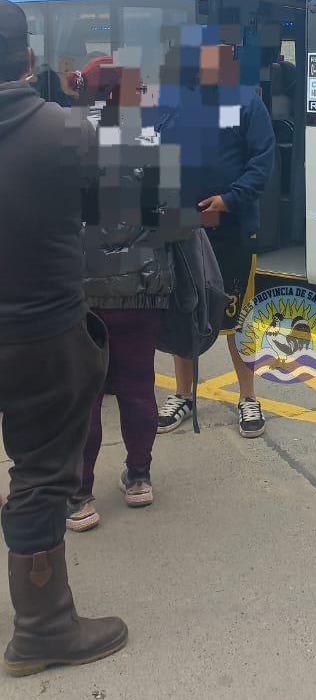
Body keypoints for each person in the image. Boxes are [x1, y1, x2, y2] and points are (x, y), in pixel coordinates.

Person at [0, 1, 127, 675]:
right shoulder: (66, 133)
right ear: (27, 59)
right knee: (41, 478)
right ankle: (43, 627)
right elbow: (108, 212)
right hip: (41, 336)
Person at [66, 60, 193, 532]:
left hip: (83, 295)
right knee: (139, 386)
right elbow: (177, 225)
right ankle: (138, 478)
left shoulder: (70, 144)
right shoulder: (155, 145)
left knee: (87, 395)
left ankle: (80, 496)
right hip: (144, 290)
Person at [156, 31, 275, 437]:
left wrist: (229, 199)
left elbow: (262, 161)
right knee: (183, 312)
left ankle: (247, 397)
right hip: (181, 231)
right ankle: (183, 396)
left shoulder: (243, 102)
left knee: (240, 319)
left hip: (232, 230)